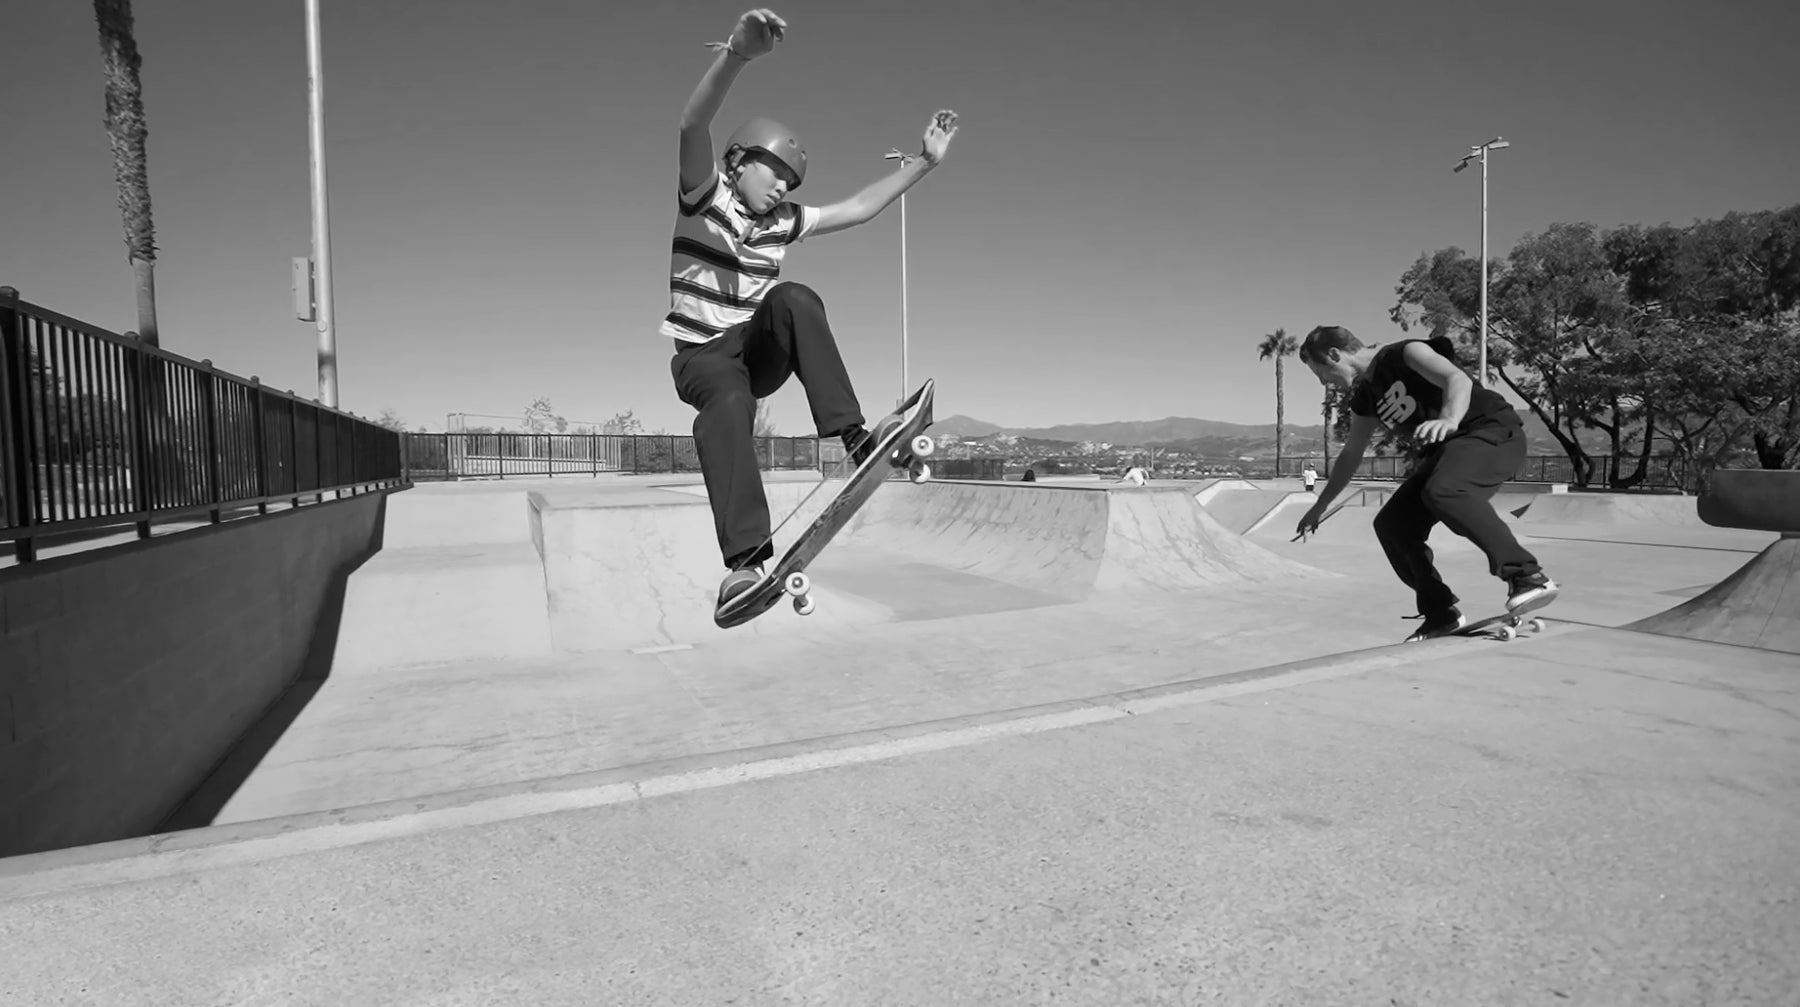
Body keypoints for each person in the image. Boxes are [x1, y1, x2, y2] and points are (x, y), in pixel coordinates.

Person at [663, 9, 959, 606]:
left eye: (790, 185)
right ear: (739, 161)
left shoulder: (784, 221)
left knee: (795, 297)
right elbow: (692, 123)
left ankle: (854, 440)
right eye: (774, 175)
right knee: (727, 402)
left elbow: (857, 208)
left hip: (755, 348)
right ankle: (745, 564)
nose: (781, 190)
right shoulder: (704, 193)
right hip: (703, 359)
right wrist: (737, 55)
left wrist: (925, 164)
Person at [1293, 325, 1558, 641]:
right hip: (1446, 453)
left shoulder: (1405, 353)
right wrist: (1320, 507)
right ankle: (1440, 612)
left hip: (1489, 433)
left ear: (1336, 355)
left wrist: (1449, 418)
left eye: (1321, 372)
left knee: (1444, 491)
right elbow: (1351, 454)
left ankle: (1527, 575)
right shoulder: (1365, 397)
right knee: (1393, 525)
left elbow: (1455, 379)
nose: (1324, 382)